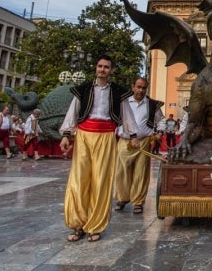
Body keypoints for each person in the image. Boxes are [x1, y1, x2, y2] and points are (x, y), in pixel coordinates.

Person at [59, 55, 133, 243]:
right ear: (96, 68)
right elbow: (73, 113)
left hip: (107, 136)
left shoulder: (118, 92)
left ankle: (95, 226)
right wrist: (66, 135)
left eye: (106, 67)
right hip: (84, 135)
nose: (102, 70)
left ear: (111, 70)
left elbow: (127, 115)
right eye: (100, 66)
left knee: (101, 182)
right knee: (79, 180)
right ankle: (78, 225)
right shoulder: (83, 89)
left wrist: (133, 136)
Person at [113, 77, 164, 215]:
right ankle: (122, 199)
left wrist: (159, 133)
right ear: (133, 86)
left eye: (143, 88)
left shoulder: (152, 105)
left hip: (143, 141)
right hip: (125, 142)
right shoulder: (123, 102)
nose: (140, 90)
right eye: (138, 87)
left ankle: (138, 202)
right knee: (121, 171)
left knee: (140, 173)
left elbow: (161, 121)